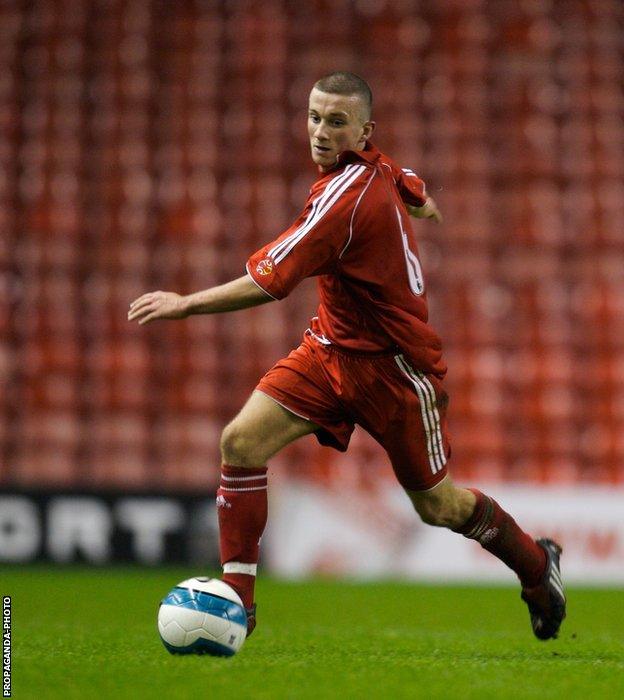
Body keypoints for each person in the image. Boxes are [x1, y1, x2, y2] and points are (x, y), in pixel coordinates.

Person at [128, 72, 566, 641]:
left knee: (438, 508)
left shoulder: (342, 200)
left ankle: (537, 567)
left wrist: (185, 304)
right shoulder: (372, 169)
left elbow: (271, 282)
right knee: (240, 441)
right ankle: (238, 599)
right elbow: (402, 176)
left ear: (363, 130)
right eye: (314, 117)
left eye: (336, 122)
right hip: (329, 351)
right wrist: (421, 198)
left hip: (397, 372)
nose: (320, 131)